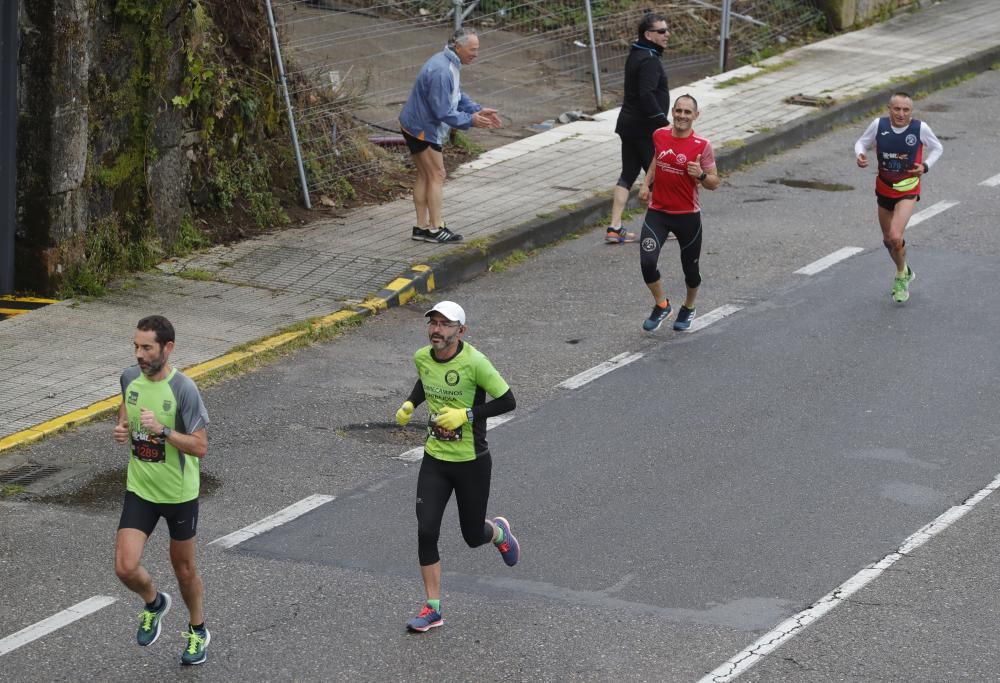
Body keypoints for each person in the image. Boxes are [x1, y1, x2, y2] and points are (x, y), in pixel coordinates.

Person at [394, 301, 519, 632]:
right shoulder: (422, 357)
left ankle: (498, 533)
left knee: (472, 535)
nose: (436, 329)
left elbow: (509, 400)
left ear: (460, 331)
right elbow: (425, 379)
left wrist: (466, 415)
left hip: (471, 462)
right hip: (435, 460)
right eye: (433, 323)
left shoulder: (475, 363)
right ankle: (432, 607)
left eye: (444, 324)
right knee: (426, 530)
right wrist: (410, 403)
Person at [112, 315, 211, 665]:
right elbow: (126, 404)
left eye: (147, 347)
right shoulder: (128, 378)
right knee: (125, 567)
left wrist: (165, 431)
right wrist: (122, 427)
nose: (139, 354)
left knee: (184, 571)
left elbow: (200, 447)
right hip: (140, 488)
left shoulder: (183, 389)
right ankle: (154, 602)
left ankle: (198, 630)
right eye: (136, 346)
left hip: (179, 495)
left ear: (167, 348)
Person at [399, 28, 502, 244]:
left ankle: (421, 227)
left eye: (478, 49)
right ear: (458, 46)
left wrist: (475, 109)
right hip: (422, 129)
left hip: (414, 124)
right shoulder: (442, 70)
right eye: (473, 49)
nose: (476, 54)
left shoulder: (449, 63)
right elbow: (443, 111)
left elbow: (456, 94)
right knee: (437, 175)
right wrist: (471, 120)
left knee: (425, 176)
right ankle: (436, 229)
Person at [637, 94, 720, 331]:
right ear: (672, 112)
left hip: (687, 216)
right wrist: (645, 183)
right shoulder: (660, 135)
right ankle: (662, 305)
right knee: (647, 262)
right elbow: (657, 158)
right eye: (678, 111)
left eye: (687, 112)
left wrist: (701, 175)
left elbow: (715, 182)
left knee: (690, 270)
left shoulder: (702, 146)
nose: (682, 116)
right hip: (658, 212)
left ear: (696, 115)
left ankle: (689, 307)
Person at [854, 91, 943, 303]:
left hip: (907, 188)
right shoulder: (879, 125)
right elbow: (861, 143)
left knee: (895, 236)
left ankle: (900, 277)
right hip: (884, 188)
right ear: (889, 109)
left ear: (911, 111)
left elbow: (938, 148)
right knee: (887, 241)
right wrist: (859, 154)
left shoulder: (920, 128)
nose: (901, 114)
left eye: (906, 110)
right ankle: (904, 270)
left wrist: (925, 166)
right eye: (897, 109)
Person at [606, 13, 671, 244]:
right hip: (644, 129)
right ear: (648, 34)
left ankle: (614, 227)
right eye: (662, 31)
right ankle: (664, 226)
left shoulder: (637, 54)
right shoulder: (649, 60)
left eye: (667, 30)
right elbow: (646, 94)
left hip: (628, 125)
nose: (667, 35)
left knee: (628, 174)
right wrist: (663, 122)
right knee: (656, 177)